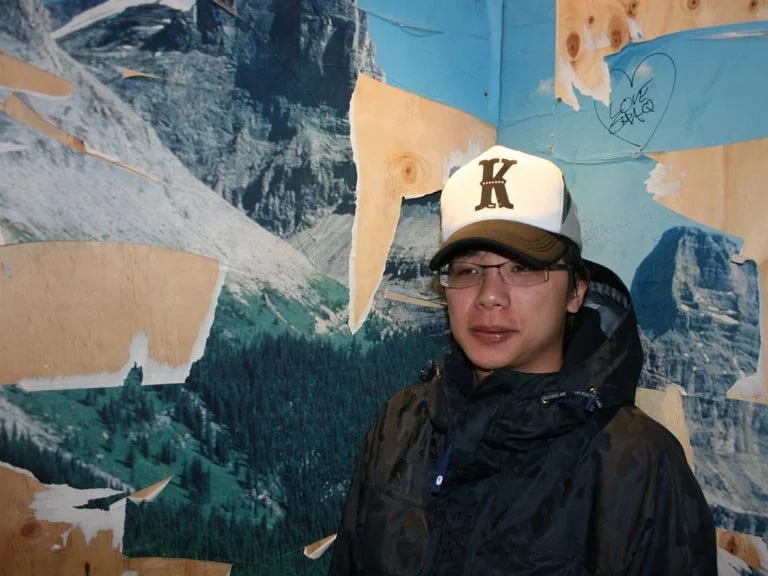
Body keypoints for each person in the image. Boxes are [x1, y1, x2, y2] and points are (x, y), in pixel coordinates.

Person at [330, 145, 717, 575]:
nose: (489, 296)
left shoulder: (639, 465)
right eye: (467, 271)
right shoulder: (401, 424)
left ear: (576, 290)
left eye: (523, 268)